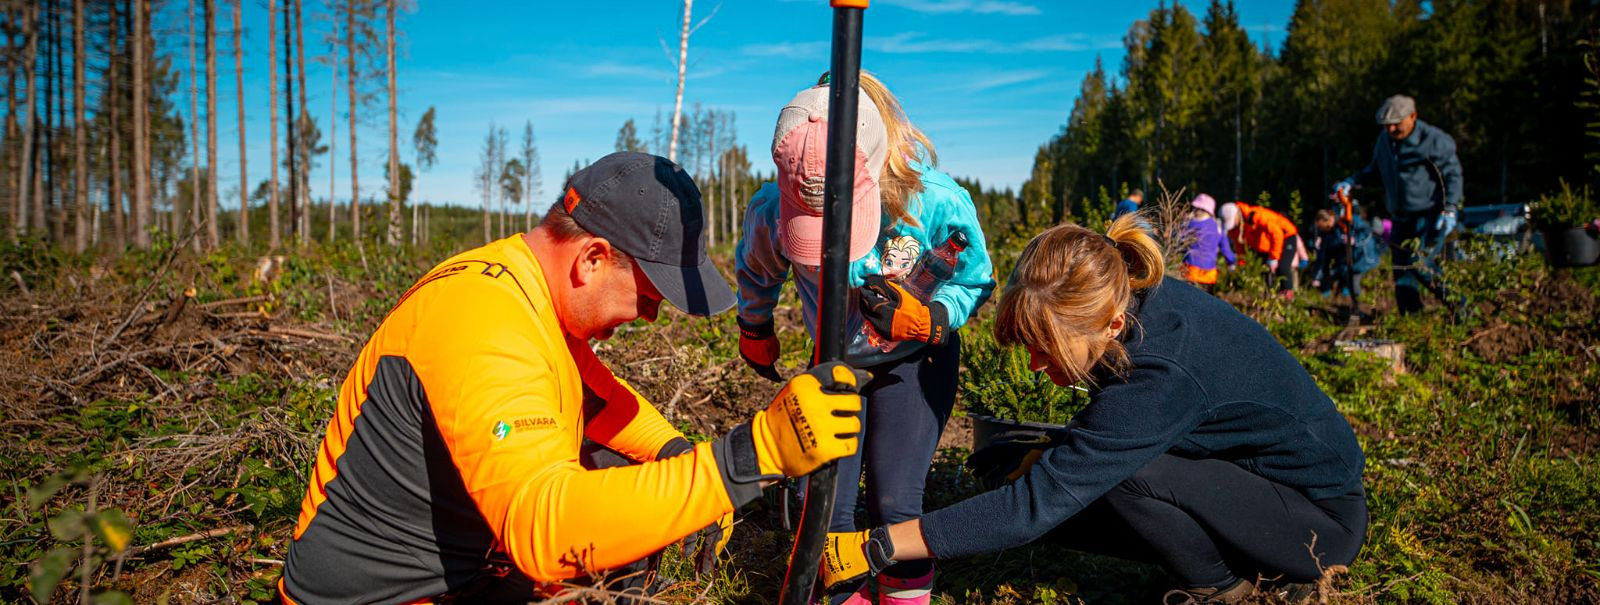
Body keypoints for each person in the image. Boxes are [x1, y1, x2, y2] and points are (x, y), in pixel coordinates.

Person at [280, 152, 870, 604]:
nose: (650, 315)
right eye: (647, 293)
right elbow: (544, 528)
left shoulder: (518, 288)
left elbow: (598, 400)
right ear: (592, 258)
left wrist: (674, 450)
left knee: (628, 471)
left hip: (459, 568)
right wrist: (748, 456)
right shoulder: (481, 319)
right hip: (381, 594)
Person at [820, 215, 1368, 604]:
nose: (1035, 365)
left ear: (1106, 326)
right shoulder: (1127, 306)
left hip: (1314, 525)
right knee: (1020, 466)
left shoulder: (1163, 368)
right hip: (1243, 486)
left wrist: (879, 546)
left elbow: (1037, 504)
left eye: (1046, 348)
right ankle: (1214, 563)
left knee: (1114, 479)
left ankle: (1223, 587)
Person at [735, 73, 995, 605]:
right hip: (833, 359)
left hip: (915, 360)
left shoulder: (936, 202)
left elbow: (974, 278)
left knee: (896, 500)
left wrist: (933, 321)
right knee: (823, 500)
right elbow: (760, 269)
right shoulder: (772, 208)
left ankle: (902, 596)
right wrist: (754, 325)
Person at [1334, 94, 1463, 314]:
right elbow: (1374, 171)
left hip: (1429, 216)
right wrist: (1351, 182)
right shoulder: (1385, 142)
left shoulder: (1433, 140)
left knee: (1419, 265)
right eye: (1386, 125)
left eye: (1396, 124)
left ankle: (1460, 307)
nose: (1391, 129)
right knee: (1401, 272)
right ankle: (1411, 317)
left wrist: (1450, 208)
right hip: (1400, 217)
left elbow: (1453, 174)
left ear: (1413, 116)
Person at [1218, 201, 1302, 298]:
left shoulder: (1256, 216)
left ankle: (1288, 296)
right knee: (1265, 270)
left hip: (1287, 235)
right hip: (1267, 245)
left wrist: (1274, 257)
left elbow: (1276, 233)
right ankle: (1271, 296)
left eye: (1232, 221)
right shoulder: (1235, 229)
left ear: (1237, 214)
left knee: (1283, 267)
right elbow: (1240, 248)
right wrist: (1241, 266)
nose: (1233, 224)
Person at [1180, 194, 1235, 292]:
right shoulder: (1217, 226)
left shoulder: (1188, 224)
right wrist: (1231, 263)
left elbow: (1179, 243)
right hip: (1209, 275)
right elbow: (1226, 249)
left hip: (1189, 272)